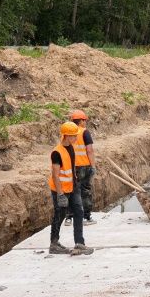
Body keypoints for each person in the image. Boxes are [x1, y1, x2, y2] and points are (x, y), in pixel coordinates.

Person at [49, 121, 93, 255]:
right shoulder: (57, 152)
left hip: (73, 187)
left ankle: (79, 243)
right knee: (59, 215)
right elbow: (55, 175)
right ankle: (54, 243)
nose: (76, 138)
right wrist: (60, 194)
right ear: (66, 136)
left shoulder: (72, 148)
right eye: (73, 136)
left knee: (79, 211)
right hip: (61, 189)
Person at [68, 109, 97, 226]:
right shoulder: (84, 132)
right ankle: (86, 217)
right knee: (85, 191)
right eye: (84, 120)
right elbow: (89, 150)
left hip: (70, 166)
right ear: (80, 121)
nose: (85, 122)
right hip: (84, 166)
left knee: (71, 191)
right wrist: (93, 166)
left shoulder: (67, 133)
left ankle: (69, 218)